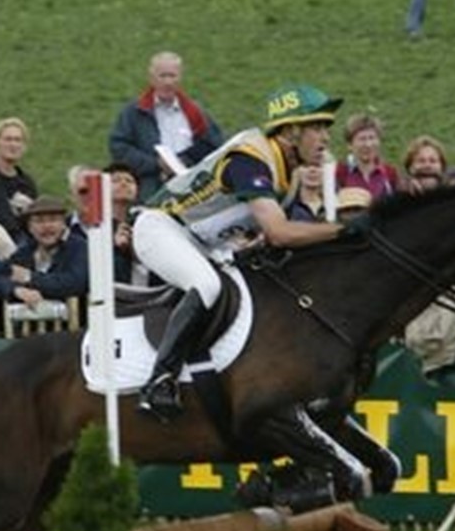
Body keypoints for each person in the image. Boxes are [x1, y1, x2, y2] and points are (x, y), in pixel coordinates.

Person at [131, 83, 346, 419]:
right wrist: (344, 230)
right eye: (316, 128)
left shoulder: (288, 174)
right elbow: (279, 232)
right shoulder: (251, 159)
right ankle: (159, 381)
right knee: (208, 285)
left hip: (204, 242)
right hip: (160, 227)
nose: (326, 138)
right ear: (290, 132)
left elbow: (271, 236)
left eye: (325, 128)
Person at [108, 51, 225, 201]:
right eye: (162, 76)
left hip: (191, 195)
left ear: (180, 77)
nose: (168, 82)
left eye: (172, 76)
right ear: (151, 78)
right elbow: (119, 148)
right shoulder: (134, 113)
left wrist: (185, 161)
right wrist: (155, 164)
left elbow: (216, 147)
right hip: (149, 193)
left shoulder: (196, 112)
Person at [0, 195, 88, 307]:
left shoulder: (79, 247)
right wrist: (16, 290)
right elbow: (0, 278)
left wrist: (29, 277)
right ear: (30, 227)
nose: (47, 226)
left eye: (53, 220)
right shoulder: (25, 251)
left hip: (74, 315)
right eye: (39, 221)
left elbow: (74, 283)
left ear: (63, 224)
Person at [335, 114, 400, 200]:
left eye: (372, 138)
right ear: (349, 145)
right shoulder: (339, 172)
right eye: (362, 139)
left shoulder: (390, 173)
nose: (368, 145)